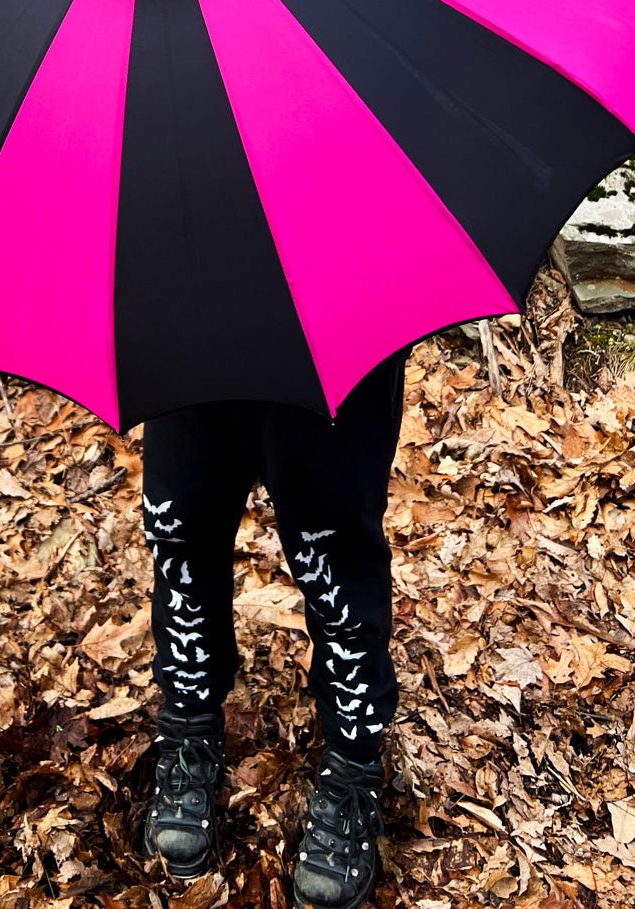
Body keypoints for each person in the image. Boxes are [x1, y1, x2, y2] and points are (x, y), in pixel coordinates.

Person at [138, 350, 409, 909]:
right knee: (181, 527)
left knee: (334, 559)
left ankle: (353, 765)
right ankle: (189, 726)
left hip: (332, 330)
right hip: (185, 322)